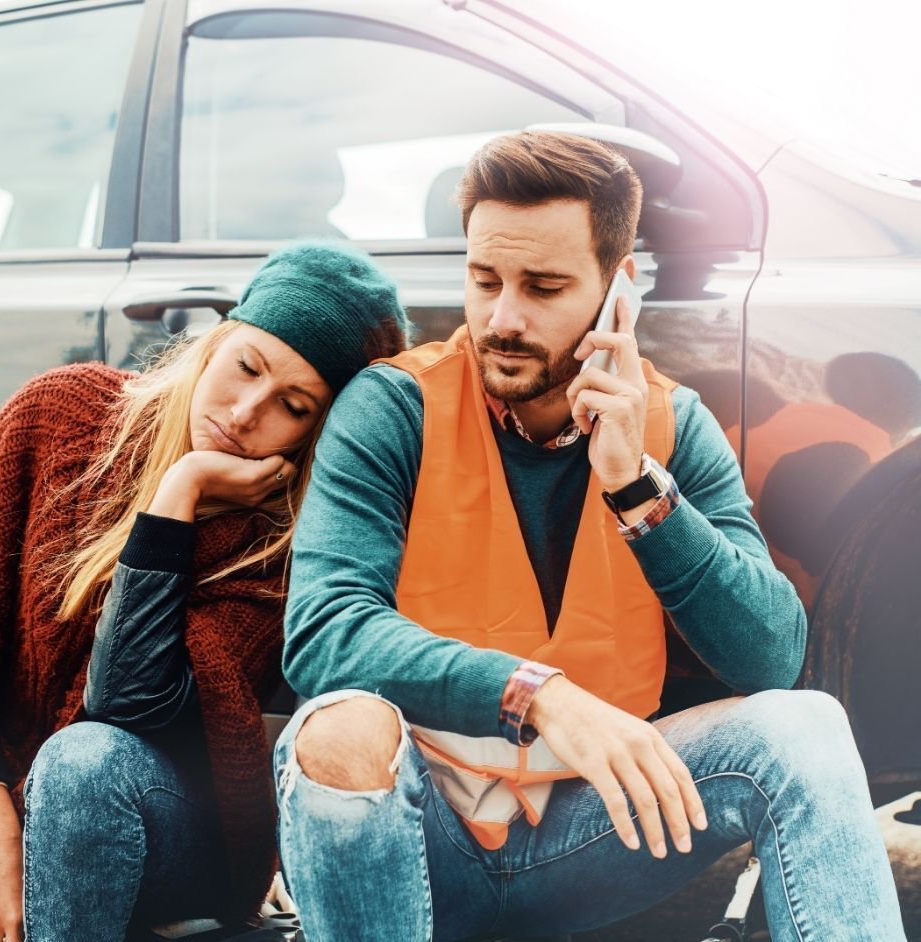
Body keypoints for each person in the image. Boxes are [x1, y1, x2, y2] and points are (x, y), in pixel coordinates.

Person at [275, 132, 905, 941]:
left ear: (619, 291)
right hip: (421, 841)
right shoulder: (391, 407)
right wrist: (539, 697)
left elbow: (773, 657)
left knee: (806, 729)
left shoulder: (671, 425)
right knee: (338, 735)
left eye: (543, 287)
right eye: (483, 280)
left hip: (592, 833)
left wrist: (636, 489)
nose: (503, 318)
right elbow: (325, 631)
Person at [0, 241, 409, 942]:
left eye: (294, 405)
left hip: (163, 828)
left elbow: (125, 703)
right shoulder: (60, 413)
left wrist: (176, 496)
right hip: (16, 791)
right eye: (246, 366)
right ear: (217, 341)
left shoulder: (283, 545)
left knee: (83, 761)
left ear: (317, 432)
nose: (248, 411)